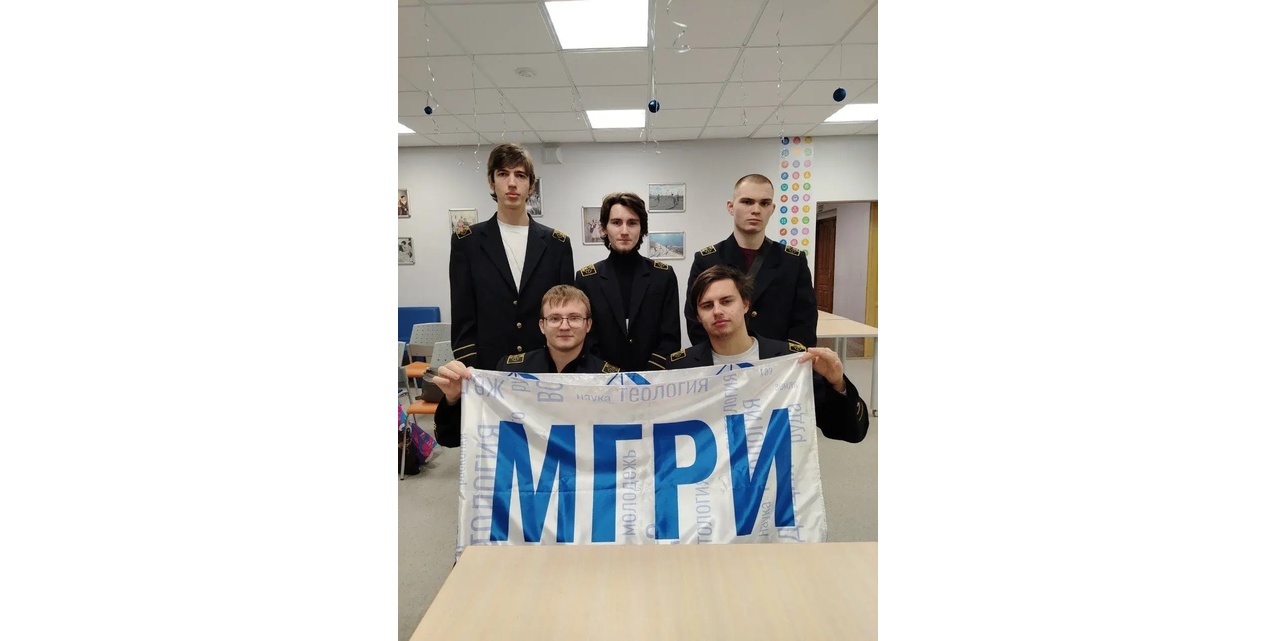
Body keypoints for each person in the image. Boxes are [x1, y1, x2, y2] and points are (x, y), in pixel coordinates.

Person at [669, 265, 869, 443]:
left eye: (726, 301)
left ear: (745, 304)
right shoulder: (681, 367)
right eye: (707, 306)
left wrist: (838, 384)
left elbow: (851, 432)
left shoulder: (789, 361)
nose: (717, 311)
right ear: (698, 316)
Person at [431, 285, 619, 448]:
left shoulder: (610, 381)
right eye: (554, 318)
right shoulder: (510, 372)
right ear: (542, 325)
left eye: (574, 318)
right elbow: (450, 439)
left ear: (588, 324)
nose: (564, 326)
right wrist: (453, 399)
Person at [449, 143, 575, 370]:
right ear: (491, 181)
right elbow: (462, 316)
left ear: (532, 185)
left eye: (520, 175)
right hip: (488, 368)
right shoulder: (467, 243)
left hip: (545, 367)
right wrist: (472, 369)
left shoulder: (558, 244)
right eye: (503, 174)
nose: (512, 183)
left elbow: (564, 313)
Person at [684, 174, 817, 348]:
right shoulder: (707, 260)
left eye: (764, 203)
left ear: (772, 209)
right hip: (723, 358)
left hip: (778, 358)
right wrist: (719, 356)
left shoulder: (793, 261)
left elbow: (805, 321)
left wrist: (787, 357)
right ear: (731, 207)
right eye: (747, 202)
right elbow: (696, 318)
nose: (756, 210)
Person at [574, 192, 681, 371]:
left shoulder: (663, 276)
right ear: (604, 228)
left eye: (632, 223)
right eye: (616, 222)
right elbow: (586, 338)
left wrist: (645, 378)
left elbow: (670, 337)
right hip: (602, 379)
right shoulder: (586, 279)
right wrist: (611, 376)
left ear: (642, 228)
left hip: (652, 379)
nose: (624, 231)